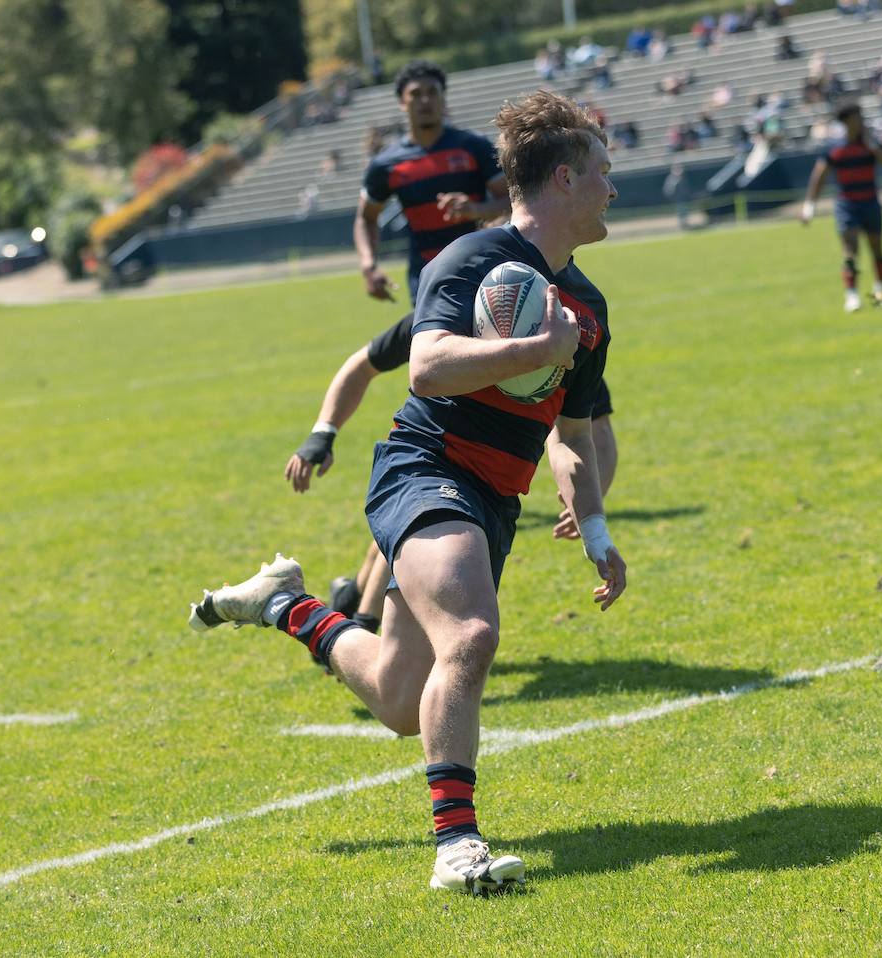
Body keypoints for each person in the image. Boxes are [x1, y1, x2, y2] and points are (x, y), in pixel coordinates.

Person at [192, 91, 626, 895]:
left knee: (398, 698)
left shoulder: (589, 309)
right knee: (470, 634)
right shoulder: (470, 260)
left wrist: (595, 529)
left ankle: (283, 605)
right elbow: (426, 366)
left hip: (494, 501)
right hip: (425, 470)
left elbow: (570, 437)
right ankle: (457, 847)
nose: (614, 187)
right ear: (564, 178)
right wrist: (537, 344)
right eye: (604, 171)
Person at [282, 310, 619, 637]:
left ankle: (348, 599)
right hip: (434, 464)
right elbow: (364, 364)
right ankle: (358, 623)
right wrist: (322, 433)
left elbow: (589, 432)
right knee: (425, 531)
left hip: (496, 491)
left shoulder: (565, 332)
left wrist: (590, 502)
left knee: (441, 625)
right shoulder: (447, 313)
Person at [354, 61, 512, 305]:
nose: (425, 100)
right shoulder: (385, 164)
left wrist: (476, 210)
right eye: (416, 94)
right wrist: (368, 266)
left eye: (432, 92)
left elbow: (515, 201)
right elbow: (366, 218)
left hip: (483, 271)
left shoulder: (474, 147)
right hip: (426, 279)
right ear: (402, 102)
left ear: (443, 99)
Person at [800, 101, 882, 312]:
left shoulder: (871, 142)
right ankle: (852, 295)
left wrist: (875, 149)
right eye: (856, 117)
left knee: (877, 250)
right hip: (848, 205)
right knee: (850, 249)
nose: (861, 120)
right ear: (846, 121)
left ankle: (880, 291)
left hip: (870, 202)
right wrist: (809, 205)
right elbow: (819, 176)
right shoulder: (834, 147)